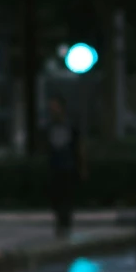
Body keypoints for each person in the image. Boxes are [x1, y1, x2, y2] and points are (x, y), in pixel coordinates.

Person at [45, 95, 83, 238]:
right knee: (56, 196)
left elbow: (78, 147)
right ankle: (59, 221)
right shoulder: (50, 126)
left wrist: (81, 166)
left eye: (55, 106)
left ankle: (65, 223)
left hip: (67, 166)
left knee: (66, 196)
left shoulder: (70, 125)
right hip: (54, 166)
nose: (52, 110)